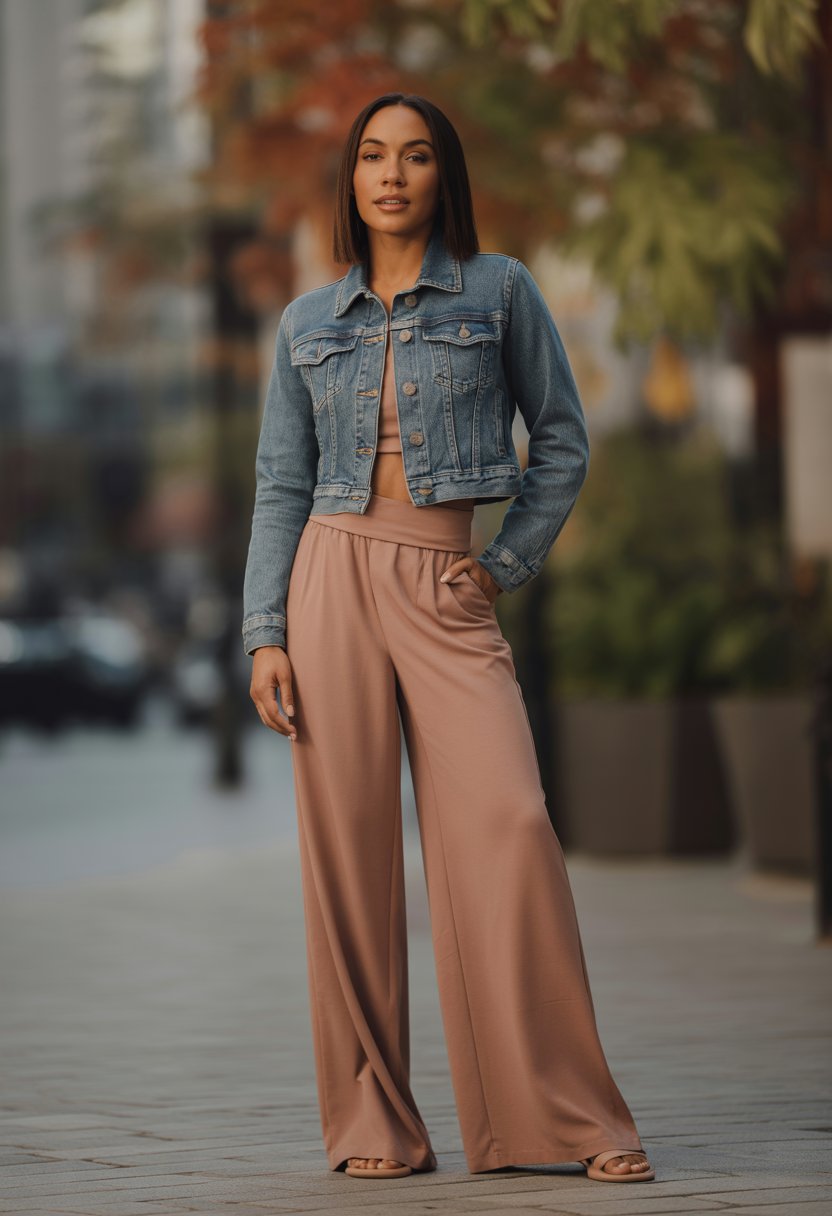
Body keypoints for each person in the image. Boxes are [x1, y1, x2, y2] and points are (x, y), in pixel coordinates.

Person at [242, 92, 655, 1186]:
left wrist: (506, 562)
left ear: (443, 176)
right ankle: (373, 1123)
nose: (392, 174)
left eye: (416, 156)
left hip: (446, 582)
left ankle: (561, 1119)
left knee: (510, 824)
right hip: (328, 576)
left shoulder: (498, 289)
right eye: (373, 156)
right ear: (351, 178)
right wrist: (265, 631)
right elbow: (280, 485)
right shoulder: (305, 321)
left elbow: (560, 439)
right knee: (348, 859)